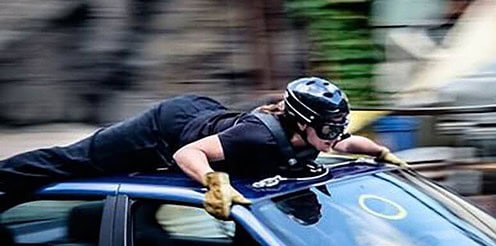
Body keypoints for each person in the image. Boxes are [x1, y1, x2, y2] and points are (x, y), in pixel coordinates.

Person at [0, 77, 406, 219]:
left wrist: (379, 154)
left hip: (205, 114)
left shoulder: (316, 136)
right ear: (303, 122)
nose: (336, 136)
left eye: (338, 127)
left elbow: (349, 143)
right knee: (75, 161)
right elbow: (187, 155)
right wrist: (214, 182)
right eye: (329, 128)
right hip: (166, 130)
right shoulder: (259, 137)